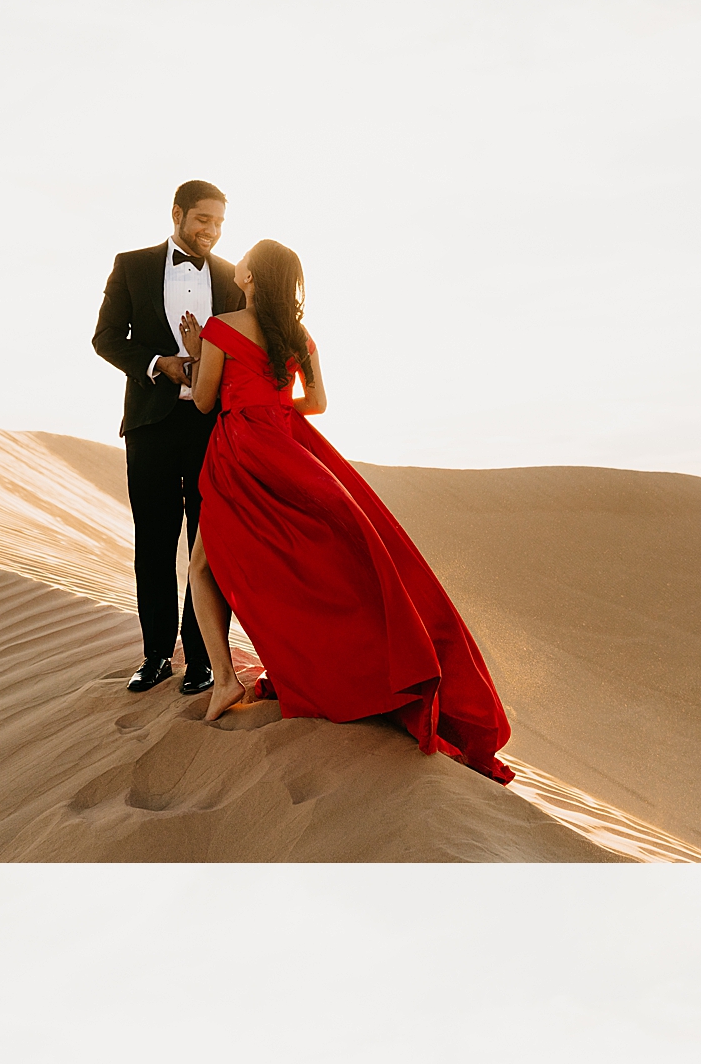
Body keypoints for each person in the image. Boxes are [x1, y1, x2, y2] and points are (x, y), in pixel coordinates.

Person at [180, 241, 515, 782]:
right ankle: (345, 666)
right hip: (287, 448)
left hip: (241, 452)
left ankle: (224, 677)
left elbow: (201, 401)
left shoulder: (219, 327)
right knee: (321, 558)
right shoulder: (298, 337)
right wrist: (270, 402)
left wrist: (196, 353)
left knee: (203, 563)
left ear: (249, 276)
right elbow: (316, 403)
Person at [92, 181, 246, 699]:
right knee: (154, 544)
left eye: (220, 223)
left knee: (208, 545)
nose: (212, 232)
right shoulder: (131, 265)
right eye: (203, 220)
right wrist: (160, 364)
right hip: (151, 425)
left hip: (213, 426)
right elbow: (107, 338)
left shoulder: (231, 277)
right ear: (178, 213)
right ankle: (156, 656)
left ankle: (202, 659)